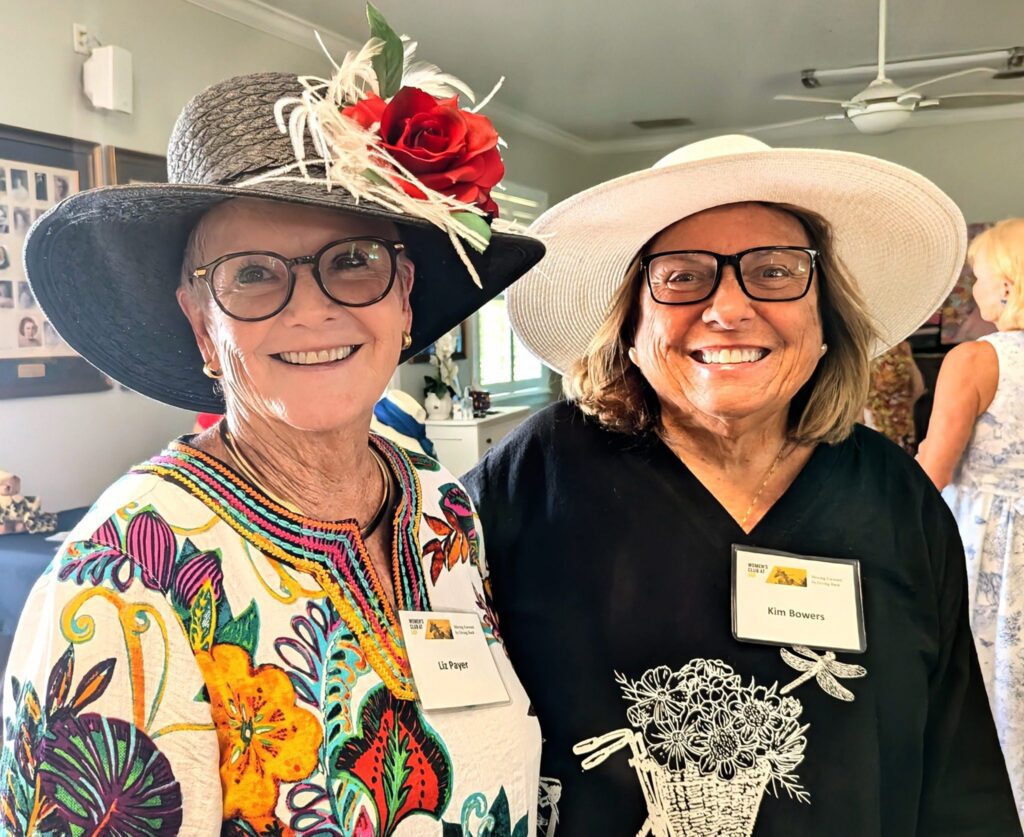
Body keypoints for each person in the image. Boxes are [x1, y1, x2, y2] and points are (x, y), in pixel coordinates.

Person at [0, 14, 544, 834]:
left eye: (353, 259)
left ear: (403, 298)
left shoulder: (441, 508)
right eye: (252, 274)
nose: (314, 309)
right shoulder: (120, 575)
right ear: (200, 325)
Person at [464, 135, 1020, 835]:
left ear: (825, 321)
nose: (727, 309)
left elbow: (956, 765)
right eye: (683, 275)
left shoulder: (894, 496)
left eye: (776, 271)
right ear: (631, 323)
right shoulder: (536, 474)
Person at [918, 217, 1024, 815]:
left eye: (979, 276)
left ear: (1006, 287)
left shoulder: (976, 359)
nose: (975, 289)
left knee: (987, 684)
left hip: (988, 544)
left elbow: (932, 470)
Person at [863, 339, 926, 453]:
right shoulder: (903, 348)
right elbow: (918, 388)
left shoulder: (864, 348)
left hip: (874, 424)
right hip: (900, 422)